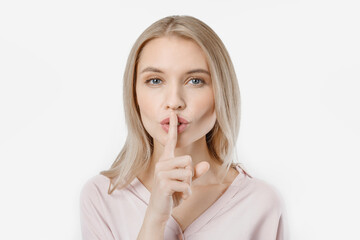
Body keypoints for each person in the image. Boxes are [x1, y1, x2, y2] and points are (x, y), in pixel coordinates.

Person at [79, 15, 289, 240]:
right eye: (155, 81)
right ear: (134, 94)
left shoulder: (261, 203)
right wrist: (154, 219)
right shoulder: (102, 196)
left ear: (221, 93)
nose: (174, 101)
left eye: (195, 81)